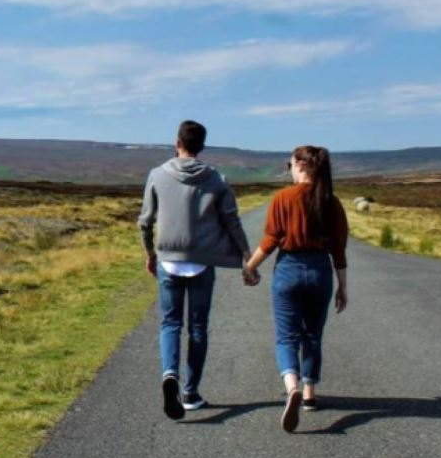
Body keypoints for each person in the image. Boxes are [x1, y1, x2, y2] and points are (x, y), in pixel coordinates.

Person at [138, 120, 256, 420]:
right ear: (201, 145)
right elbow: (231, 219)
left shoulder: (157, 175)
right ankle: (190, 392)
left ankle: (169, 375)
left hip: (168, 260)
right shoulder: (216, 178)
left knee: (170, 324)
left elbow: (145, 222)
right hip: (202, 264)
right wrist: (246, 254)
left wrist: (150, 253)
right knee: (198, 327)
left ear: (178, 141)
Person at [244, 145, 349, 433]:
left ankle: (291, 386)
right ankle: (310, 394)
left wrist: (250, 267)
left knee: (286, 336)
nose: (288, 168)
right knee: (312, 336)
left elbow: (270, 240)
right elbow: (339, 249)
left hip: (288, 269)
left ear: (301, 165)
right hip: (320, 271)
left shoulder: (282, 198)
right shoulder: (332, 202)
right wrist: (343, 287)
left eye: (289, 164)